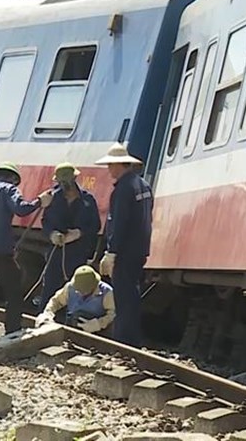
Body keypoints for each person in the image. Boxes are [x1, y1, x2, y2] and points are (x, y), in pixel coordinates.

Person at [0, 162, 53, 347]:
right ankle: (12, 332)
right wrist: (40, 201)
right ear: (13, 178)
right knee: (13, 292)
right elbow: (21, 209)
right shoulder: (8, 189)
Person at [92, 143, 152, 347]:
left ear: (119, 165)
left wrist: (112, 251)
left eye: (111, 165)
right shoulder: (143, 185)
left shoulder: (123, 189)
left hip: (125, 250)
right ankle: (132, 338)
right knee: (132, 294)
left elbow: (118, 222)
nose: (109, 170)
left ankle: (124, 341)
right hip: (140, 248)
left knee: (123, 295)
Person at [38, 162, 102, 312]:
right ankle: (45, 316)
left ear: (74, 179)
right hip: (56, 250)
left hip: (78, 252)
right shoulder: (52, 199)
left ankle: (71, 320)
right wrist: (52, 234)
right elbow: (45, 222)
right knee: (50, 285)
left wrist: (80, 233)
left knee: (76, 288)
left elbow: (95, 226)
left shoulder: (88, 200)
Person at [35, 265, 115, 334]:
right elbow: (56, 301)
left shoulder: (107, 293)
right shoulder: (70, 287)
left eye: (83, 291)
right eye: (78, 291)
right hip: (71, 327)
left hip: (96, 333)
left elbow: (113, 314)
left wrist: (99, 324)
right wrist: (47, 313)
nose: (79, 293)